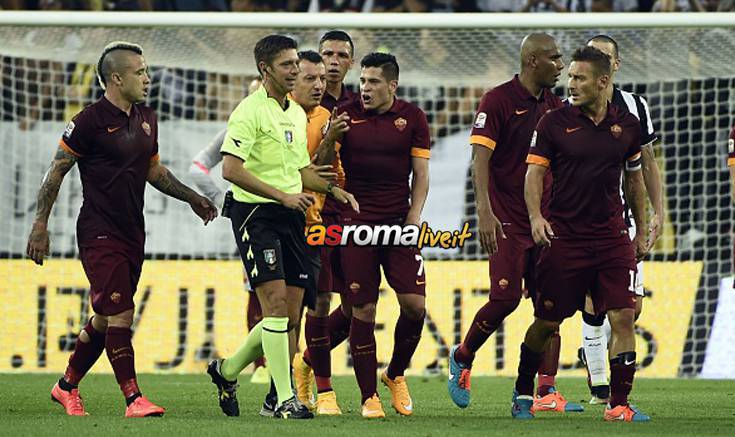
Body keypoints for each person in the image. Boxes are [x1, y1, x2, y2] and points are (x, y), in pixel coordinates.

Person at [26, 41, 218, 418]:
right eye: (140, 72)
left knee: (104, 317)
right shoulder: (88, 121)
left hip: (133, 232)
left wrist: (192, 198)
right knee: (121, 314)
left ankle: (65, 386)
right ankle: (134, 399)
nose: (147, 78)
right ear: (116, 78)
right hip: (98, 231)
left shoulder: (147, 117)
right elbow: (56, 171)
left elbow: (153, 170)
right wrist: (40, 223)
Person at [205, 34, 356, 420]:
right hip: (256, 216)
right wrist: (283, 196)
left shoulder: (295, 113)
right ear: (265, 69)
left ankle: (226, 371)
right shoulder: (248, 111)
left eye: (295, 64)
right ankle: (283, 400)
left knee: (287, 317)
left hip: (293, 217)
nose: (294, 70)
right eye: (287, 65)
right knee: (273, 308)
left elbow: (299, 170)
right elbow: (230, 169)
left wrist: (333, 190)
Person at [446, 33, 583, 414]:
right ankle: (462, 356)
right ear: (533, 60)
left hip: (546, 219)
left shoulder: (556, 106)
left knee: (550, 309)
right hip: (506, 217)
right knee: (505, 299)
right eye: (554, 58)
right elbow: (480, 160)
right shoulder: (498, 101)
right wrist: (484, 212)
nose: (561, 66)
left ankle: (545, 390)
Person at [512, 46, 650, 422]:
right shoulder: (553, 123)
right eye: (570, 76)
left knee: (624, 315)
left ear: (602, 82)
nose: (570, 84)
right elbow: (534, 175)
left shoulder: (627, 127)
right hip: (565, 238)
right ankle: (524, 390)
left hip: (611, 237)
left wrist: (641, 229)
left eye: (579, 78)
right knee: (547, 323)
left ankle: (618, 403)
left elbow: (634, 181)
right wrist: (535, 217)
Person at [334, 52, 430, 418]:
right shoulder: (345, 114)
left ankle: (395, 374)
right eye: (362, 81)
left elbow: (421, 174)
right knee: (363, 308)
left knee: (415, 306)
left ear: (392, 85)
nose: (365, 88)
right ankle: (368, 397)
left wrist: (414, 217)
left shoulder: (413, 117)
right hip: (355, 225)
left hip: (398, 223)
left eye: (373, 82)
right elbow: (323, 164)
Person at [577, 34, 664, 404]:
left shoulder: (634, 106)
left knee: (631, 307)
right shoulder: (570, 105)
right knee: (593, 300)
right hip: (581, 219)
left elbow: (647, 163)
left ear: (615, 65)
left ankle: (593, 351)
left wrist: (657, 212)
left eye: (604, 56)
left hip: (624, 217)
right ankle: (600, 385)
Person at [189, 78, 271, 385]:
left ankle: (293, 360)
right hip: (252, 218)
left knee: (294, 293)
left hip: (291, 215)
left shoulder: (290, 126)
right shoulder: (237, 130)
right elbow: (197, 167)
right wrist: (223, 201)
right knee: (259, 290)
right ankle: (262, 365)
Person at [292, 29, 357, 415]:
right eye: (326, 55)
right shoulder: (296, 107)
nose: (332, 62)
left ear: (351, 62)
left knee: (358, 304)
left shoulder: (361, 101)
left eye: (340, 55)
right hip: (314, 212)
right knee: (317, 300)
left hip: (353, 212)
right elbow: (306, 167)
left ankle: (305, 361)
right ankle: (324, 390)